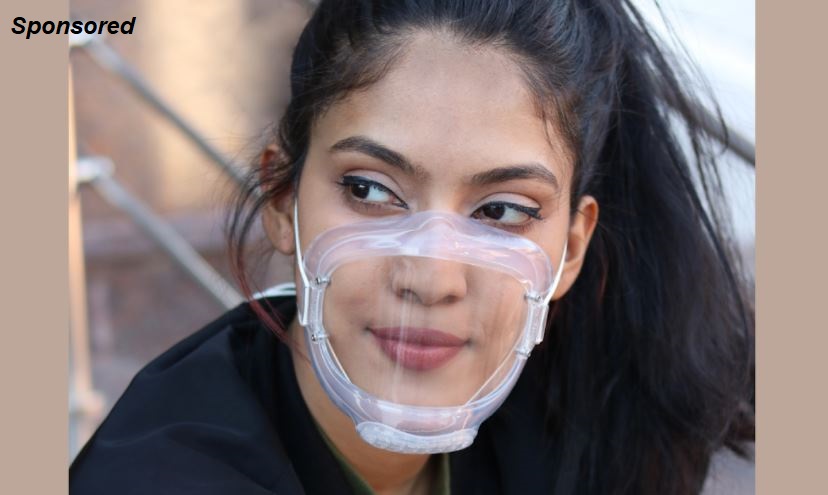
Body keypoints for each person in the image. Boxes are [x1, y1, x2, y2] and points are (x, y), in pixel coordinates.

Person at [69, 1, 755, 494]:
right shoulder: (156, 475)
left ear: (571, 250)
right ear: (282, 199)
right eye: (370, 191)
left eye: (502, 211)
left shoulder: (586, 426)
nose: (431, 278)